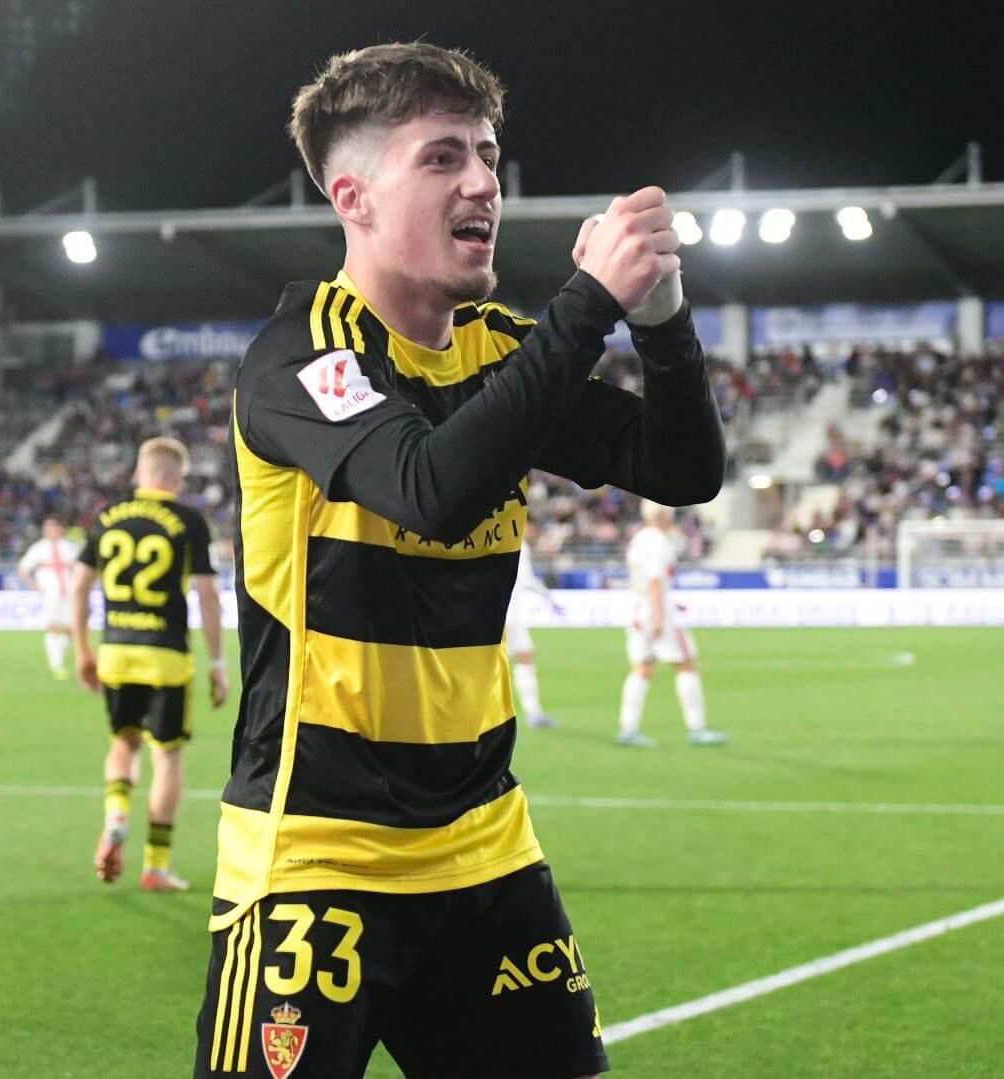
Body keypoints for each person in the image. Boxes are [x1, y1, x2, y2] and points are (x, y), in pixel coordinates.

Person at [194, 42, 725, 1079]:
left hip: (483, 842)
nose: (482, 180)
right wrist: (585, 306)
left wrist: (660, 322)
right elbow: (431, 491)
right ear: (351, 194)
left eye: (486, 154)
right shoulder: (301, 357)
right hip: (316, 853)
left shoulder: (493, 345)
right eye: (441, 158)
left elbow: (679, 466)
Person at [70, 436, 229, 893]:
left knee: (123, 744)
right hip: (166, 657)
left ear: (141, 473)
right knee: (167, 757)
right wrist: (218, 662)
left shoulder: (106, 517)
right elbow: (206, 594)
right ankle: (156, 866)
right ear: (178, 477)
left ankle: (117, 818)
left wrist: (84, 651)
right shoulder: (187, 521)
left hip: (116, 652)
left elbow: (79, 588)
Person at [617, 501, 729, 748]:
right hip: (655, 610)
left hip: (636, 609)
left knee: (642, 668)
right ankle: (697, 728)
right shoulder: (659, 541)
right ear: (664, 515)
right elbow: (655, 579)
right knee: (686, 663)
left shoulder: (639, 539)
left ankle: (628, 728)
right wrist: (660, 613)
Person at [17, 514, 80, 679]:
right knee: (52, 627)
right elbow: (23, 569)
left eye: (52, 527)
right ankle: (55, 664)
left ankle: (60, 661)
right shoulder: (39, 548)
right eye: (47, 527)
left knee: (69, 629)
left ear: (61, 528)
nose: (48, 530)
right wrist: (35, 587)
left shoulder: (71, 547)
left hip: (70, 593)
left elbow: (80, 569)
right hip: (51, 594)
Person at [506, 538, 560, 728]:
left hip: (502, 611)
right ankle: (532, 713)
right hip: (508, 612)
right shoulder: (519, 542)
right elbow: (525, 578)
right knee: (503, 662)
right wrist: (547, 595)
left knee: (524, 656)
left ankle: (534, 712)